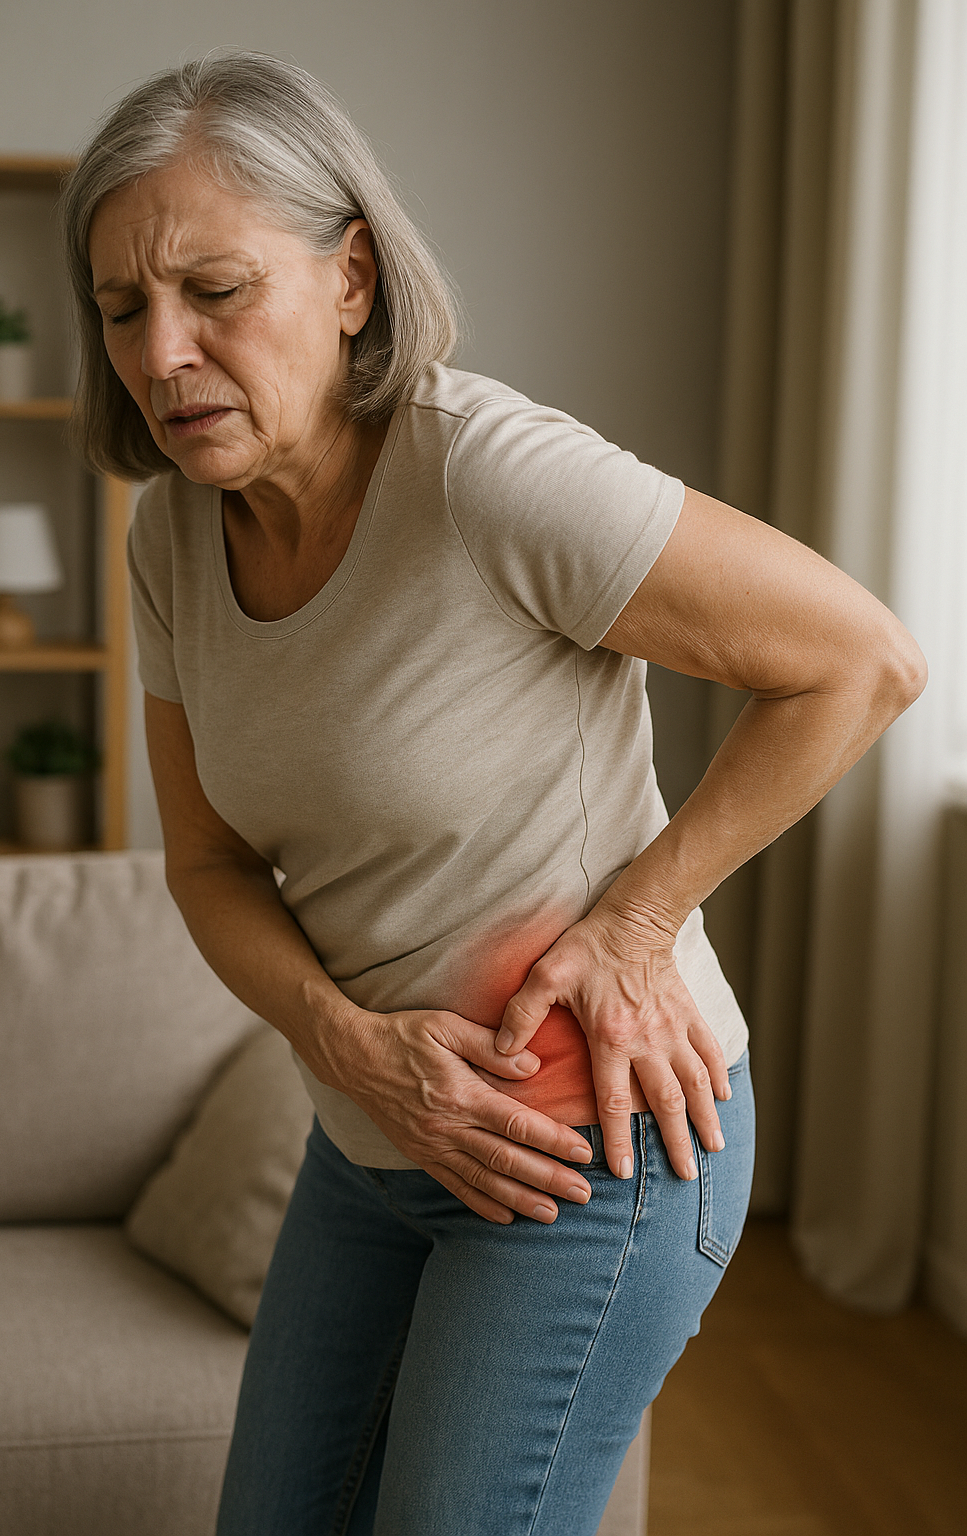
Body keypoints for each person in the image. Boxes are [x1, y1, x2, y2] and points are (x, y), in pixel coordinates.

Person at [59, 51, 926, 1536]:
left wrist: (640, 924)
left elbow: (861, 663)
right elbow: (207, 866)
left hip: (595, 1157)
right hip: (367, 1148)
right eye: (123, 308)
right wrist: (350, 1044)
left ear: (350, 278)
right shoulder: (169, 542)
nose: (164, 351)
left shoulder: (487, 477)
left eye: (215, 289)